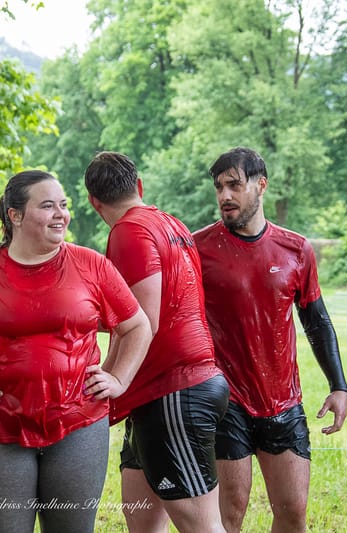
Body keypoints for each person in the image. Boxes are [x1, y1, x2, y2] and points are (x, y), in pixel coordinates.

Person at [0, 170, 152, 533]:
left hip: (78, 425)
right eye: (47, 206)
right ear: (16, 215)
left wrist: (119, 377)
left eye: (63, 205)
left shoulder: (91, 264)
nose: (61, 214)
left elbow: (137, 325)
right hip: (0, 428)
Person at [192, 147, 347, 533]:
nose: (225, 195)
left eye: (234, 184)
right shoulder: (198, 248)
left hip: (284, 401)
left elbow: (316, 320)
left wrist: (339, 385)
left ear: (260, 185)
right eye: (218, 187)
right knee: (229, 515)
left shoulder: (297, 248)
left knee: (293, 513)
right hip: (224, 400)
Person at [84, 152, 228, 533]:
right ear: (139, 186)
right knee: (142, 520)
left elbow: (141, 321)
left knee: (202, 525)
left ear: (93, 202)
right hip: (162, 392)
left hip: (174, 389)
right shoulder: (170, 222)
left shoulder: (128, 231)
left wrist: (114, 377)